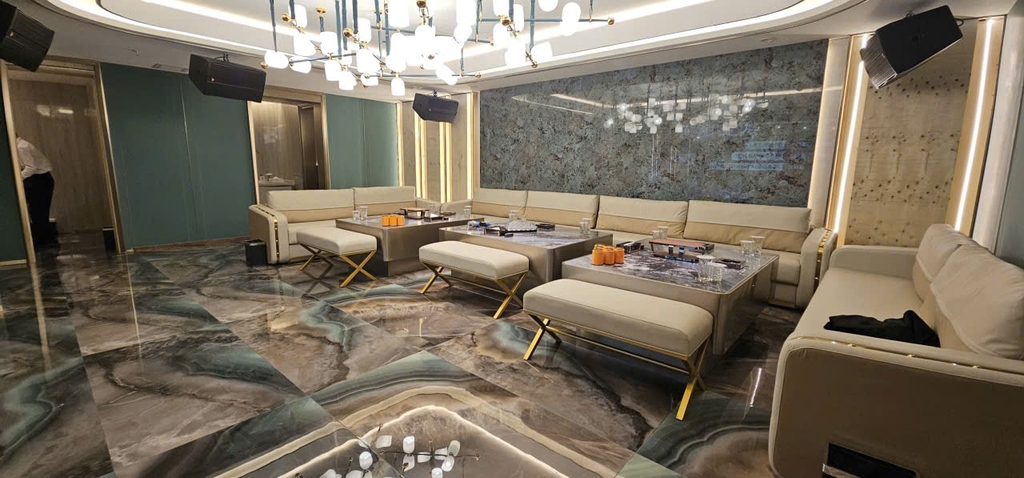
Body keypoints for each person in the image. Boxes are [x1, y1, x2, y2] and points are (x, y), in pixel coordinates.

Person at [17, 136, 57, 248]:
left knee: (38, 211)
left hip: (40, 180)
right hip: (39, 180)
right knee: (38, 211)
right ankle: (45, 240)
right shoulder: (21, 145)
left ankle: (45, 241)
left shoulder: (21, 147)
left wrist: (16, 178)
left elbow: (30, 168)